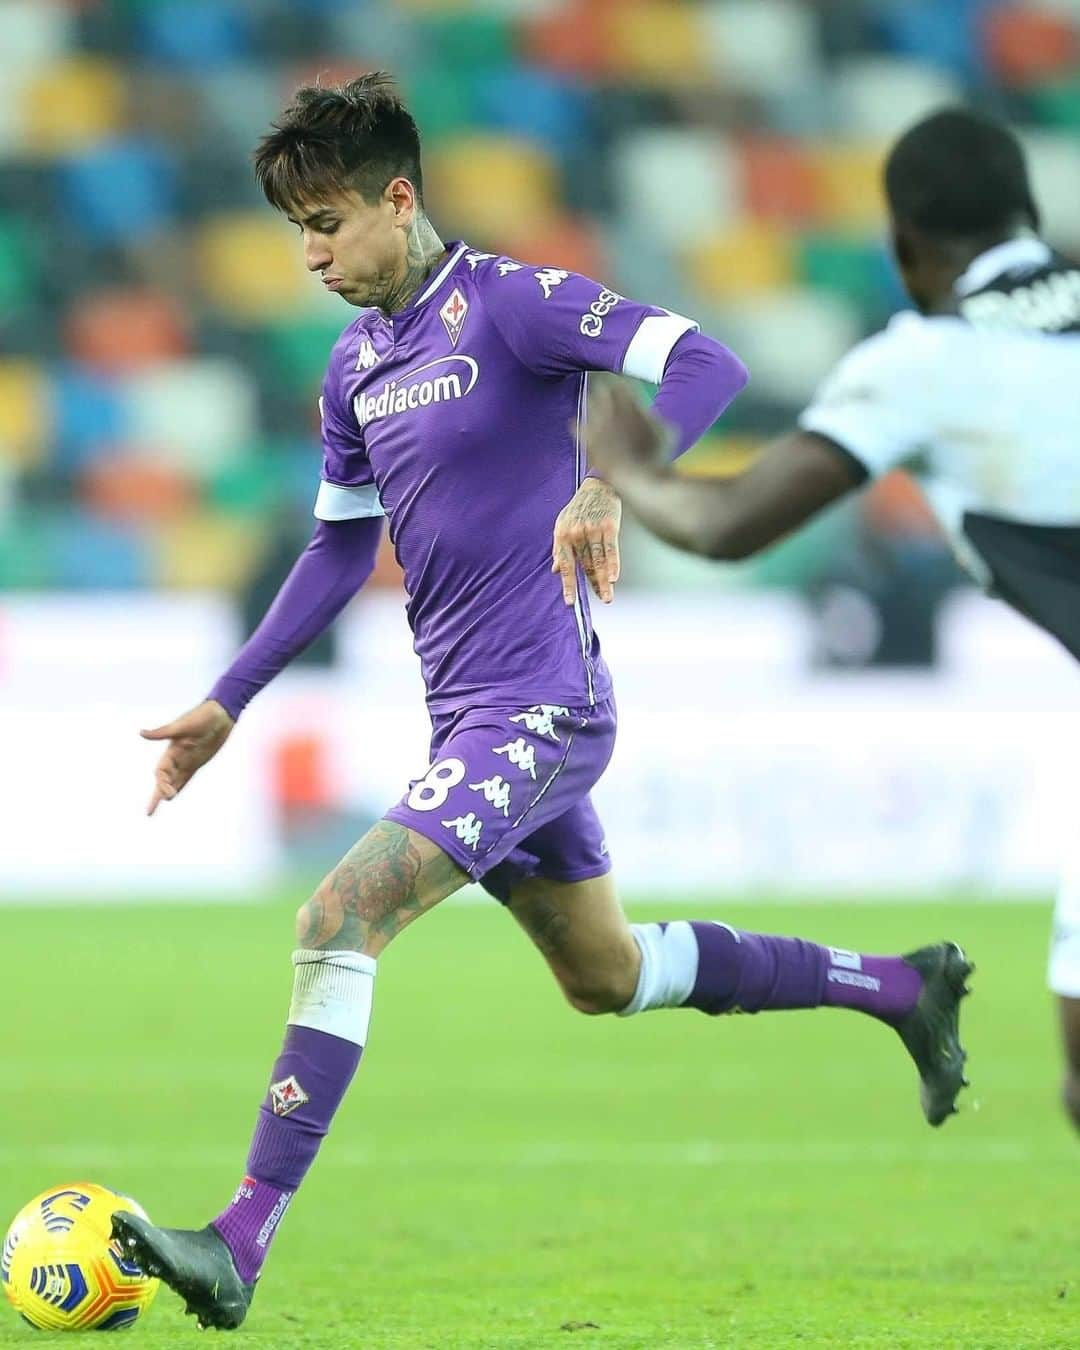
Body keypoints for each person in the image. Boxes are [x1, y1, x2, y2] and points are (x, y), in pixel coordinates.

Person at [110, 76, 972, 1331]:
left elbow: (704, 362)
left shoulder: (510, 304)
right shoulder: (354, 368)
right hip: (467, 720)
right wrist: (228, 699)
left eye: (331, 223)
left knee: (335, 919)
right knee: (608, 976)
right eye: (296, 230)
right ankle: (905, 987)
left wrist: (612, 481)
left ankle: (239, 1239)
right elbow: (339, 553)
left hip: (544, 709)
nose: (310, 255)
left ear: (400, 201)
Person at [585, 105, 1080, 1128]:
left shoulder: (926, 360)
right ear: (1028, 213)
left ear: (903, 247)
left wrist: (628, 467)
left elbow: (728, 524)